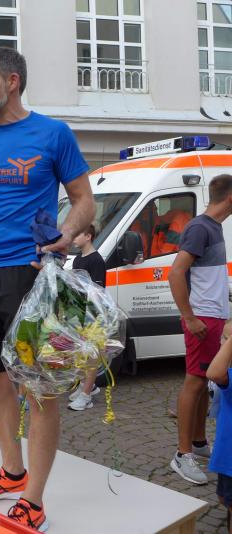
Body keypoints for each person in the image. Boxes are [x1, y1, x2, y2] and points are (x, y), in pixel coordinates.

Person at [0, 47, 95, 531]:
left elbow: (84, 199)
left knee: (39, 389)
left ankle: (34, 501)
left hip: (27, 275)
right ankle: (12, 471)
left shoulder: (53, 133)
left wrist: (66, 234)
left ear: (11, 82)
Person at [168, 174, 232, 485]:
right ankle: (182, 455)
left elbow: (206, 275)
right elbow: (176, 273)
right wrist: (190, 318)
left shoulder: (212, 226)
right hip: (203, 319)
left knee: (205, 381)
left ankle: (198, 442)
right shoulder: (200, 227)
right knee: (194, 382)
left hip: (213, 316)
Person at [68, 224, 106, 411]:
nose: (74, 238)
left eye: (78, 234)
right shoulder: (77, 259)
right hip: (79, 313)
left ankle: (86, 396)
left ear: (88, 236)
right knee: (81, 354)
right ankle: (88, 386)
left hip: (92, 314)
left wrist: (90, 317)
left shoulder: (96, 260)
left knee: (91, 355)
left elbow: (98, 291)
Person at [208, 334, 232, 534]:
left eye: (226, 338)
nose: (221, 342)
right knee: (224, 498)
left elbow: (214, 373)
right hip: (226, 459)